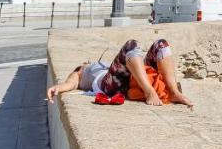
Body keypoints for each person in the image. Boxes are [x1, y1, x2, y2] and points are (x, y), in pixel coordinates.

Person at [46, 38, 192, 107]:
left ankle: (174, 92)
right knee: (131, 45)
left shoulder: (110, 66)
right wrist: (58, 88)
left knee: (161, 45)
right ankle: (149, 92)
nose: (88, 62)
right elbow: (71, 83)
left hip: (129, 77)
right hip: (108, 85)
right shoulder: (81, 70)